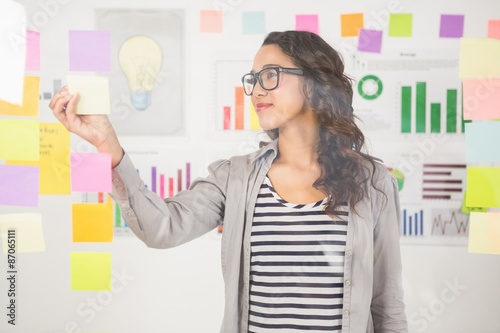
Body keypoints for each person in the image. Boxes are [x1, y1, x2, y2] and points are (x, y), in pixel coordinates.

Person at [50, 30, 408, 333]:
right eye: (252, 80)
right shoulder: (233, 177)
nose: (256, 91)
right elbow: (161, 228)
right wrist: (106, 144)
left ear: (315, 82)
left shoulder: (372, 183)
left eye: (270, 75)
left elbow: (386, 302)